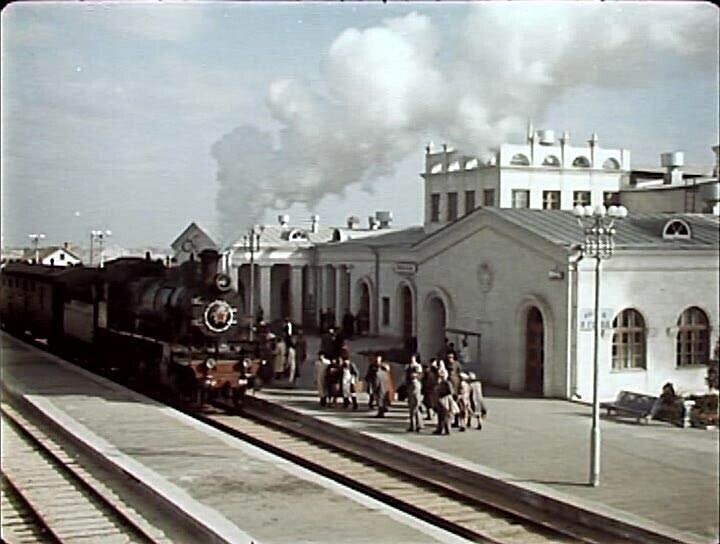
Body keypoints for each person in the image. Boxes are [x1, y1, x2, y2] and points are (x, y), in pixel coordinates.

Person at [434, 368, 456, 435]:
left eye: (442, 376)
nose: (441, 377)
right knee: (441, 415)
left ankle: (447, 430)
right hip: (440, 400)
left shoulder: (447, 383)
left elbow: (451, 392)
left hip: (445, 400)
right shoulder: (440, 383)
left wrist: (443, 394)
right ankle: (440, 429)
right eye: (440, 376)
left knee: (445, 415)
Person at [406, 356, 424, 432]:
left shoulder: (416, 383)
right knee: (413, 410)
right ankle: (415, 425)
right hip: (412, 395)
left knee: (414, 410)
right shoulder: (408, 367)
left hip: (415, 397)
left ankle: (417, 425)